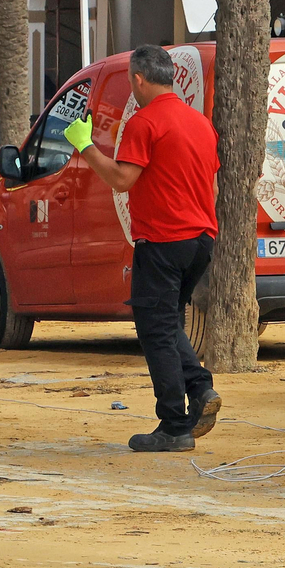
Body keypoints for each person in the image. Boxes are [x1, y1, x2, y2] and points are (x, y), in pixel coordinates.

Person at [63, 45, 222, 453]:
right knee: (168, 322)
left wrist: (85, 146)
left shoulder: (143, 122)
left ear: (138, 79)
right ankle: (200, 390)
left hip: (163, 240)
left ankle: (173, 424)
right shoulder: (200, 124)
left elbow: (121, 179)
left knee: (156, 330)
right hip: (201, 239)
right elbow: (214, 185)